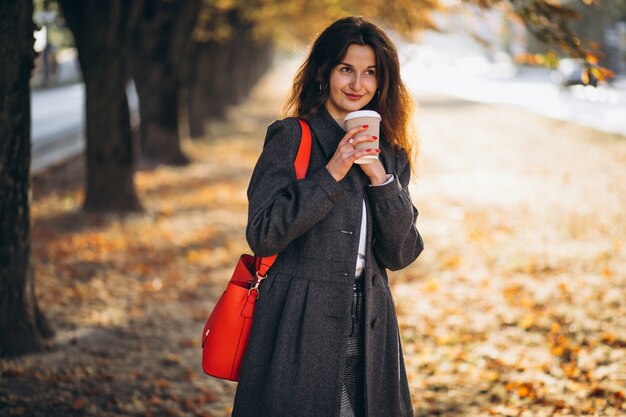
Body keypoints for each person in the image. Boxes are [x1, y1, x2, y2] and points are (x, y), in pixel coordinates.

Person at [232, 16, 424, 417]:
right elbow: (264, 234)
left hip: (372, 323)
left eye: (370, 73)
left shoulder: (390, 155)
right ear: (324, 73)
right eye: (346, 70)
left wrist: (380, 178)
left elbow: (402, 252)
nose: (358, 85)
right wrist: (333, 171)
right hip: (298, 320)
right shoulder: (291, 137)